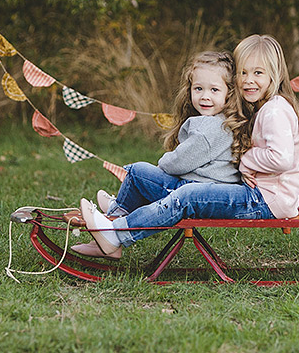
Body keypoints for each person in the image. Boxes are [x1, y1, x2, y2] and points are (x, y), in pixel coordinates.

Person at [79, 34, 299, 258]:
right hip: (259, 194)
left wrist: (246, 162)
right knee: (139, 171)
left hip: (266, 201)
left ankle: (116, 234)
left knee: (188, 196)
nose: (248, 80)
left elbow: (282, 158)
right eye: (243, 72)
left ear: (275, 74)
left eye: (258, 73)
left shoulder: (274, 110)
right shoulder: (266, 107)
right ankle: (111, 226)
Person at [72, 51, 240, 259]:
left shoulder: (211, 128)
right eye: (198, 88)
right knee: (139, 172)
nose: (205, 96)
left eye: (214, 90)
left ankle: (115, 221)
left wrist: (164, 162)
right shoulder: (218, 121)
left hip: (198, 194)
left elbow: (178, 163)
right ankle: (114, 220)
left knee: (137, 172)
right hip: (200, 188)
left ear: (229, 93)